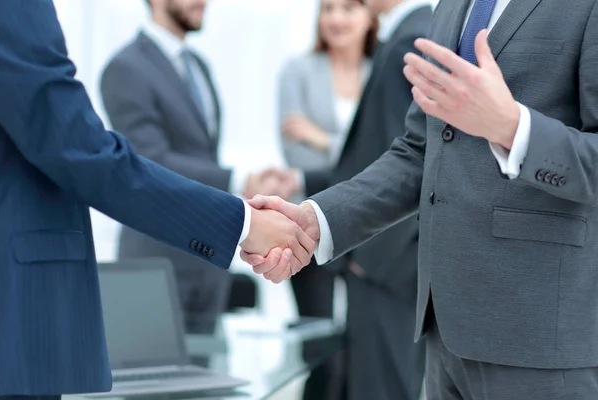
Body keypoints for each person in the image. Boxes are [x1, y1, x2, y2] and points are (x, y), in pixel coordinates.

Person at [244, 0, 598, 398]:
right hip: (442, 330)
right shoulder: (450, 6)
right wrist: (319, 219)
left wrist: (514, 130)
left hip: (538, 337)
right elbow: (420, 150)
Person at [0, 1, 311, 399]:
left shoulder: (201, 68)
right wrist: (243, 222)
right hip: (55, 289)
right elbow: (80, 147)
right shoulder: (121, 63)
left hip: (199, 268)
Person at [100, 0, 287, 335]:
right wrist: (240, 178)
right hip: (155, 263)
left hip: (206, 258)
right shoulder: (125, 67)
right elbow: (148, 159)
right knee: (156, 381)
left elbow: (201, 154)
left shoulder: (198, 65)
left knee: (209, 380)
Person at [300, 0, 432, 398]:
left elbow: (409, 161)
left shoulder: (410, 37)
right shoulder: (414, 27)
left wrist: (367, 259)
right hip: (391, 261)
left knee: (382, 387)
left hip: (384, 265)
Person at [276, 1, 375, 398]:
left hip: (371, 228)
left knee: (363, 353)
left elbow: (390, 154)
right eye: (327, 8)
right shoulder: (297, 71)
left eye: (349, 7)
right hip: (308, 225)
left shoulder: (382, 71)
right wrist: (356, 154)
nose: (336, 18)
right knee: (321, 357)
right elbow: (295, 158)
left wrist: (320, 138)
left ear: (370, 15)